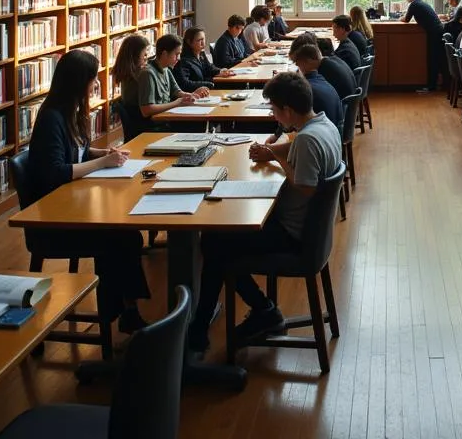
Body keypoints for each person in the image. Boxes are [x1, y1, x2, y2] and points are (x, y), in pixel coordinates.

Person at [187, 72, 342, 354]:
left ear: (287, 110)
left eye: (274, 110)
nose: (273, 116)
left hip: (294, 235)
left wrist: (280, 160)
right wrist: (275, 153)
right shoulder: (323, 125)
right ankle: (213, 321)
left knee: (213, 243)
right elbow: (296, 148)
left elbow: (305, 187)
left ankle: (247, 314)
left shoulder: (307, 140)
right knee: (217, 239)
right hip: (311, 231)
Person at [28, 50, 150, 333]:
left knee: (127, 235)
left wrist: (101, 153)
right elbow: (56, 171)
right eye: (93, 79)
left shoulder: (69, 111)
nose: (97, 85)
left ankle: (124, 310)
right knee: (120, 237)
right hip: (55, 216)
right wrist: (102, 162)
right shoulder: (51, 119)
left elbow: (78, 152)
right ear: (78, 81)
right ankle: (117, 313)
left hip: (73, 200)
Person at [124, 33, 210, 127]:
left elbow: (177, 91)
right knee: (197, 124)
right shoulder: (148, 73)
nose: (179, 58)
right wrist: (177, 103)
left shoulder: (166, 69)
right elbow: (147, 110)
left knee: (201, 121)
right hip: (155, 126)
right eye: (176, 54)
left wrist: (193, 94)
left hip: (166, 118)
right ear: (165, 54)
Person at [290, 43, 345, 130]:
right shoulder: (321, 78)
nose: (298, 68)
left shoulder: (308, 88)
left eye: (298, 64)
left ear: (307, 61)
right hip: (337, 127)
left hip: (327, 132)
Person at [402, 0, 445, 93]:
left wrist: (400, 18)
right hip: (438, 30)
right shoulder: (422, 3)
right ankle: (436, 84)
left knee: (432, 59)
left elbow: (406, 20)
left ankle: (432, 86)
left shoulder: (413, 5)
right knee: (435, 58)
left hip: (434, 33)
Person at [111, 33, 151, 137]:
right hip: (142, 120)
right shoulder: (140, 74)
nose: (147, 57)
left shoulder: (126, 72)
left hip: (136, 118)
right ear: (135, 55)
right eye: (144, 54)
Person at [173, 26, 235, 91]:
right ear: (189, 42)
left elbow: (210, 67)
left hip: (206, 89)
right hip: (195, 93)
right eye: (199, 40)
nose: (203, 43)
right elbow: (185, 84)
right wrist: (208, 84)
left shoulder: (201, 53)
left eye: (203, 39)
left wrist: (221, 71)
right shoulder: (183, 60)